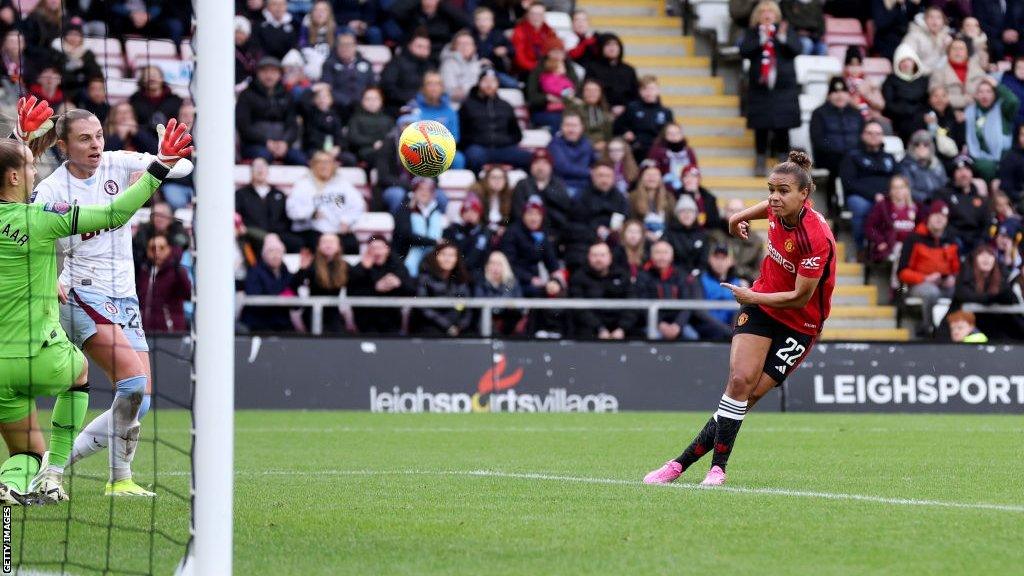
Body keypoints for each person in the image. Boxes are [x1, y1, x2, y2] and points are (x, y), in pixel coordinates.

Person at [0, 110, 189, 505]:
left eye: (99, 135)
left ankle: (114, 478)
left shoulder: (117, 162)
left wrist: (164, 160)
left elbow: (183, 166)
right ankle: (53, 468)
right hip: (81, 294)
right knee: (115, 379)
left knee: (140, 396)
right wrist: (156, 170)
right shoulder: (49, 198)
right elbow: (103, 216)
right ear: (63, 146)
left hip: (122, 295)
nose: (96, 144)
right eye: (84, 138)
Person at [644, 151, 836, 487]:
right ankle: (717, 469)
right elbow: (769, 210)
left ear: (804, 195)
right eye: (771, 189)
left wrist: (751, 296)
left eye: (783, 191)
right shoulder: (779, 209)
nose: (774, 198)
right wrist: (739, 217)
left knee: (740, 402)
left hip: (800, 324)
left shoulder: (815, 237)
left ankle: (678, 463)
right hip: (763, 307)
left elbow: (799, 297)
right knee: (737, 384)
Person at [739, 1, 802, 176]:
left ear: (777, 15)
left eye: (770, 11)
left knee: (783, 125)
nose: (767, 14)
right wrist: (762, 39)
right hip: (760, 88)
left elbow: (797, 48)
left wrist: (782, 38)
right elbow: (744, 51)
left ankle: (784, 161)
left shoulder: (785, 30)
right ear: (757, 16)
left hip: (783, 88)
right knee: (761, 125)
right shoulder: (752, 32)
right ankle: (760, 158)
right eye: (763, 12)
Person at [638, 240, 731, 341]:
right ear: (651, 255)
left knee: (692, 336)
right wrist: (660, 324)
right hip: (654, 323)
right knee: (653, 336)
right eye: (658, 252)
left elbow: (687, 303)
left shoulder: (681, 275)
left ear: (672, 256)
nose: (661, 256)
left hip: (679, 324)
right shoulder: (643, 276)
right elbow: (642, 303)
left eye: (665, 252)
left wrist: (678, 325)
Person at [897, 200, 959, 335]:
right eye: (935, 215)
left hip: (943, 285)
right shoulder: (914, 238)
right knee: (932, 292)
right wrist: (925, 278)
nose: (939, 219)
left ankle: (951, 330)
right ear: (928, 217)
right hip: (917, 285)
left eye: (943, 216)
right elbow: (902, 272)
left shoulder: (951, 240)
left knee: (959, 291)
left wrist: (952, 278)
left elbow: (956, 269)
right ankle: (928, 328)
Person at [286, 151, 365, 253]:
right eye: (320, 162)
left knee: (352, 245)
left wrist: (347, 220)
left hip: (337, 231)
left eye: (327, 162)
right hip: (311, 231)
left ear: (333, 165)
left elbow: (358, 205)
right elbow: (291, 210)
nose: (324, 166)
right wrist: (311, 213)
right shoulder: (303, 186)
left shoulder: (342, 185)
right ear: (313, 165)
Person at [839, 120, 897, 251]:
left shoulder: (890, 158)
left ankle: (891, 246)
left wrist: (888, 196)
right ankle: (861, 249)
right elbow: (849, 183)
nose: (873, 136)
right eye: (869, 133)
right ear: (862, 135)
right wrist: (874, 195)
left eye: (877, 133)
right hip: (861, 197)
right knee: (860, 207)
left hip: (887, 197)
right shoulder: (852, 156)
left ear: (882, 136)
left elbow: (898, 179)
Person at [236, 57, 307, 165]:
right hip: (254, 145)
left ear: (280, 75)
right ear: (257, 73)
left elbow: (292, 125)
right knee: (264, 157)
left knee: (301, 160)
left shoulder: (287, 96)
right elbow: (244, 127)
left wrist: (285, 142)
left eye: (273, 72)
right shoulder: (247, 95)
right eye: (264, 71)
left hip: (282, 145)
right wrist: (266, 142)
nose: (269, 76)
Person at [459, 68, 531, 172]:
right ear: (479, 83)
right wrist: (478, 141)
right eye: (485, 81)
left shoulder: (506, 106)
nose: (489, 85)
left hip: (503, 149)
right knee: (474, 156)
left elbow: (516, 134)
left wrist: (504, 141)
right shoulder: (467, 106)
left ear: (498, 84)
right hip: (480, 148)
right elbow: (462, 134)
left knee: (528, 157)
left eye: (493, 81)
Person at [564, 161, 629, 270]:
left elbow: (625, 219)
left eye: (608, 176)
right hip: (586, 242)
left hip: (613, 242)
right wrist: (595, 231)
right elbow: (572, 226)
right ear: (593, 177)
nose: (604, 180)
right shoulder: (581, 197)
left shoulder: (620, 198)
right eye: (600, 176)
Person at [570, 241, 637, 340]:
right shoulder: (579, 277)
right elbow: (579, 309)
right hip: (589, 329)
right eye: (595, 255)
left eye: (602, 255)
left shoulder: (622, 276)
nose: (598, 259)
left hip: (621, 330)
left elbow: (632, 303)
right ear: (588, 257)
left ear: (610, 257)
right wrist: (599, 328)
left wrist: (622, 328)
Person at [951, 244, 1021, 339]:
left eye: (990, 255)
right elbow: (965, 296)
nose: (986, 258)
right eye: (981, 254)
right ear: (974, 259)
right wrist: (992, 297)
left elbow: (1011, 298)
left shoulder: (1002, 278)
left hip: (998, 327)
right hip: (970, 325)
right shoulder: (965, 277)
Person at [347, 236, 415, 334]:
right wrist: (375, 288)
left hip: (392, 319)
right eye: (373, 249)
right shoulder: (360, 267)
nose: (377, 252)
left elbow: (411, 290)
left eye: (380, 248)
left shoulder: (397, 266)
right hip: (366, 320)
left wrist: (399, 284)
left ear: (387, 249)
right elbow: (352, 294)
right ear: (367, 251)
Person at [236, 157, 302, 253]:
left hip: (277, 235)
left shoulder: (278, 194)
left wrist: (274, 235)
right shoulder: (241, 194)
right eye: (257, 167)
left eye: (263, 167)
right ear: (251, 172)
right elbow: (237, 217)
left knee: (297, 242)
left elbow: (285, 220)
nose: (260, 170)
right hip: (252, 235)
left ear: (268, 170)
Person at [510, 148, 572, 247]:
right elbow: (517, 212)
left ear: (551, 166)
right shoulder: (523, 184)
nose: (540, 167)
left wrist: (546, 192)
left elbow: (565, 209)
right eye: (537, 163)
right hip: (526, 234)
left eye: (544, 163)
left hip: (555, 234)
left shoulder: (559, 185)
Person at [290, 233, 349, 334]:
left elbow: (358, 282)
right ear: (318, 246)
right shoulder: (311, 264)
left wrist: (363, 267)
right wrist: (302, 269)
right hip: (312, 311)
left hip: (333, 313)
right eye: (324, 242)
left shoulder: (344, 266)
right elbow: (293, 285)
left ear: (339, 247)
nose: (328, 245)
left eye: (331, 242)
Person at [965, 77, 1021, 181]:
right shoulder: (969, 112)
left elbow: (1013, 101)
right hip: (980, 157)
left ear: (995, 94)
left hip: (1005, 155)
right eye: (980, 92)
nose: (984, 95)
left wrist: (996, 85)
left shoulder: (1002, 109)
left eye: (989, 91)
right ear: (976, 95)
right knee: (987, 168)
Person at [501, 200, 561, 296]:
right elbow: (508, 264)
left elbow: (552, 262)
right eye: (530, 214)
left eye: (537, 214)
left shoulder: (543, 234)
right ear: (523, 215)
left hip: (535, 280)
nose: (534, 218)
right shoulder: (512, 233)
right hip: (513, 280)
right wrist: (530, 279)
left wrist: (556, 280)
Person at [411, 243, 474, 336]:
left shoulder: (462, 280)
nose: (447, 259)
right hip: (430, 327)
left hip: (458, 328)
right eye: (443, 254)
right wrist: (448, 326)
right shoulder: (424, 279)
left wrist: (460, 326)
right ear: (435, 257)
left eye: (451, 255)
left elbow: (468, 309)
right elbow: (423, 308)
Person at [136, 234, 191, 334]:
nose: (157, 252)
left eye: (161, 248)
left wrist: (178, 269)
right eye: (153, 248)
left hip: (171, 332)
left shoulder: (176, 271)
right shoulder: (144, 271)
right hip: (146, 332)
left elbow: (188, 294)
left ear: (169, 249)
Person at [934, 157, 990, 253]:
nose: (964, 174)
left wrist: (981, 241)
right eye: (959, 170)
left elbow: (986, 223)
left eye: (967, 170)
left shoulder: (979, 199)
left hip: (975, 242)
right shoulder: (943, 194)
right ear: (953, 174)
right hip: (953, 241)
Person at [242, 233, 296, 333]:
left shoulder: (286, 273)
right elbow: (254, 298)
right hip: (258, 324)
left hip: (281, 324)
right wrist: (281, 295)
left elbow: (296, 302)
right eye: (271, 251)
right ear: (264, 254)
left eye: (279, 251)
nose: (275, 255)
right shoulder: (255, 272)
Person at [393, 176, 446, 276]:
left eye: (429, 190)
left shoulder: (436, 214)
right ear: (414, 191)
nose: (424, 193)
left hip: (430, 259)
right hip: (405, 258)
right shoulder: (404, 210)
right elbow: (406, 236)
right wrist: (433, 242)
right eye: (421, 189)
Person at [613, 75, 674, 161]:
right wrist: (626, 132)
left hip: (657, 150)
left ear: (658, 90)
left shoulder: (666, 112)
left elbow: (670, 132)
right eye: (645, 89)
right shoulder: (632, 108)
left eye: (652, 89)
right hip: (636, 149)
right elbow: (618, 127)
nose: (648, 92)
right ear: (640, 91)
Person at [865, 175, 921, 265]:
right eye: (894, 187)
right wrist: (880, 241)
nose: (898, 190)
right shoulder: (882, 206)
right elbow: (869, 227)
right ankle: (897, 279)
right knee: (902, 254)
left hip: (911, 246)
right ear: (890, 190)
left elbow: (920, 229)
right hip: (891, 245)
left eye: (901, 187)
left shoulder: (915, 207)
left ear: (907, 189)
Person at [319, 31, 375, 121]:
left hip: (362, 106)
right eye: (342, 45)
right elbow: (327, 87)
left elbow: (372, 86)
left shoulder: (365, 63)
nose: (346, 48)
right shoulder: (329, 64)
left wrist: (365, 100)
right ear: (337, 47)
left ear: (355, 46)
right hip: (338, 106)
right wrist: (346, 101)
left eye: (349, 45)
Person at [390, 0, 470, 62]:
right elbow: (394, 11)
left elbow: (466, 21)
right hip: (414, 54)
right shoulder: (413, 12)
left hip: (440, 53)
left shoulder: (446, 13)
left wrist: (442, 4)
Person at [525, 46, 579, 133]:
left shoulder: (568, 71)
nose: (558, 56)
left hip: (564, 108)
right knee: (558, 119)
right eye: (555, 52)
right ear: (548, 53)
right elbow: (534, 96)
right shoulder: (541, 74)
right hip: (543, 110)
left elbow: (573, 87)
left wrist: (571, 94)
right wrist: (547, 97)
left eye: (561, 52)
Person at [882, 45, 930, 142]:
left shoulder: (923, 80)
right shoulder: (891, 80)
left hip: (920, 119)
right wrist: (906, 110)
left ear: (915, 62)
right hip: (899, 119)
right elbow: (889, 104)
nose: (906, 64)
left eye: (909, 60)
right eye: (902, 61)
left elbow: (927, 102)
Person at [710, 198, 765, 283]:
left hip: (748, 286)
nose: (736, 215)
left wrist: (746, 281)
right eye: (731, 211)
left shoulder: (756, 241)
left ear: (746, 214)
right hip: (718, 284)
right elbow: (710, 266)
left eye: (739, 211)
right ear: (724, 214)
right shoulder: (715, 237)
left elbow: (760, 272)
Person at [379, 32, 433, 117]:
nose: (423, 50)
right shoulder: (396, 63)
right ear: (410, 46)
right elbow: (387, 86)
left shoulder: (430, 66)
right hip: (398, 107)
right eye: (419, 46)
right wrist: (408, 98)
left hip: (425, 107)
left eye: (427, 47)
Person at [584, 33, 639, 114]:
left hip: (626, 113)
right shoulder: (592, 68)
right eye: (608, 45)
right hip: (599, 112)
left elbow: (635, 95)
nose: (612, 48)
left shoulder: (629, 70)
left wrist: (625, 108)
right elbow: (589, 93)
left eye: (615, 44)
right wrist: (609, 108)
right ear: (601, 47)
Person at [474, 250, 524, 335]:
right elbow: (478, 304)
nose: (495, 267)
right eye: (492, 263)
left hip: (507, 323)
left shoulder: (513, 283)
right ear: (487, 266)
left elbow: (521, 307)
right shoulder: (481, 283)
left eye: (499, 264)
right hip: (487, 323)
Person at [928, 37, 985, 111]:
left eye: (961, 49)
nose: (958, 51)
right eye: (954, 48)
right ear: (948, 53)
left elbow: (986, 93)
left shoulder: (977, 69)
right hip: (949, 113)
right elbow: (937, 98)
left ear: (967, 53)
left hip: (977, 110)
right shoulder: (938, 72)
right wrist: (966, 100)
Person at [300, 84, 353, 163]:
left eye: (325, 97)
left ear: (331, 99)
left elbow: (339, 136)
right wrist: (313, 88)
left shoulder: (335, 115)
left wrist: (337, 148)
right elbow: (302, 100)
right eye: (319, 97)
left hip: (332, 149)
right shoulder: (309, 113)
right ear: (314, 99)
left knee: (350, 159)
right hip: (314, 149)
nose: (322, 100)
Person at [547, 111, 596, 197]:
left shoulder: (587, 143)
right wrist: (589, 172)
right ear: (561, 127)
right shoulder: (554, 144)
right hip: (564, 186)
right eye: (567, 125)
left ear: (582, 128)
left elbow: (595, 161)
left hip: (587, 186)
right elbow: (563, 168)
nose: (571, 129)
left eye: (574, 126)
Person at [129, 66, 184, 140]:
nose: (151, 79)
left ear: (162, 78)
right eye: (147, 76)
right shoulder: (134, 101)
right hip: (141, 144)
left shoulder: (176, 101)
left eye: (154, 75)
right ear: (142, 81)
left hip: (171, 143)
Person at [443, 193, 493, 273]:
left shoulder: (486, 232)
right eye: (466, 211)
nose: (470, 214)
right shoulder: (452, 231)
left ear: (479, 214)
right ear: (462, 214)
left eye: (474, 211)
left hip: (478, 274)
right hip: (456, 272)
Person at [131, 201, 190, 270]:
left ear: (170, 217)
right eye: (155, 215)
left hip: (172, 269)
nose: (158, 219)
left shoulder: (177, 229)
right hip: (147, 269)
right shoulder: (144, 230)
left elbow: (183, 244)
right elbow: (138, 252)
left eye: (162, 215)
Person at [664, 194, 711, 274]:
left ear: (695, 214)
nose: (687, 214)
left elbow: (704, 259)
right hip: (675, 275)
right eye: (682, 211)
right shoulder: (669, 233)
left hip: (698, 275)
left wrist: (698, 271)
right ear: (677, 215)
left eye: (690, 211)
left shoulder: (702, 234)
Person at [347, 87, 394, 166]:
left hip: (385, 149)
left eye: (375, 99)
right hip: (364, 151)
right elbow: (353, 138)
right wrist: (373, 142)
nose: (372, 102)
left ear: (381, 101)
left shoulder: (388, 120)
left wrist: (383, 144)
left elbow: (392, 137)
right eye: (368, 99)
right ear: (362, 101)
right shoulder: (356, 119)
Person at [629, 160, 674, 242]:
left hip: (665, 239)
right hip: (640, 239)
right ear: (641, 178)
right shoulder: (632, 197)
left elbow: (673, 221)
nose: (652, 178)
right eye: (648, 175)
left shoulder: (669, 197)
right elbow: (630, 221)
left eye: (655, 175)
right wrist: (644, 233)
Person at [899, 130, 948, 204]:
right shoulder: (906, 165)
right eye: (917, 144)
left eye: (925, 144)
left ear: (931, 147)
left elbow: (945, 185)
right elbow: (908, 190)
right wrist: (928, 198)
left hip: (940, 202)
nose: (921, 147)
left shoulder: (937, 164)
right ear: (911, 147)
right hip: (919, 204)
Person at [647, 123, 699, 193]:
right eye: (670, 133)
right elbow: (652, 171)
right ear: (664, 135)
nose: (674, 136)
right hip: (663, 190)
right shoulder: (656, 152)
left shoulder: (689, 151)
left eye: (677, 133)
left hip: (687, 188)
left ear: (682, 135)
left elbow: (695, 170)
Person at [511, 1, 560, 75]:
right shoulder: (519, 31)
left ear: (544, 16)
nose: (536, 17)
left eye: (539, 14)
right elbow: (520, 59)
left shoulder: (549, 31)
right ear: (527, 15)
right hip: (526, 70)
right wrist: (538, 68)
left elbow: (555, 51)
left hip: (546, 67)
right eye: (533, 14)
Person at [471, 6, 516, 86]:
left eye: (486, 20)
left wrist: (505, 50)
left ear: (492, 22)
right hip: (475, 70)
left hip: (496, 71)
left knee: (513, 84)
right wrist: (478, 62)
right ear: (475, 22)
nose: (482, 23)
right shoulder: (470, 36)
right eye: (479, 20)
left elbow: (512, 50)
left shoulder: (498, 35)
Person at [700, 244, 745, 326]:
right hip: (707, 329)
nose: (719, 262)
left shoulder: (739, 284)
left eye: (724, 258)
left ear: (732, 261)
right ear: (709, 259)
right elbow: (701, 313)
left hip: (731, 329)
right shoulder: (701, 280)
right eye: (716, 257)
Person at [924, 84, 966, 170]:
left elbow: (961, 143)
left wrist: (961, 124)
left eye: (943, 96)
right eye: (935, 96)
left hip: (954, 157)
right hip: (934, 159)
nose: (940, 100)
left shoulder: (955, 116)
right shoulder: (924, 117)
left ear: (948, 99)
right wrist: (928, 125)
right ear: (929, 99)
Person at [900, 6, 952, 74]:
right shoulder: (913, 36)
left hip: (938, 78)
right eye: (931, 17)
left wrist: (948, 48)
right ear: (924, 20)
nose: (935, 20)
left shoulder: (946, 38)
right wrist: (931, 72)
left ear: (943, 21)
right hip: (917, 76)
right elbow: (906, 60)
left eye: (938, 17)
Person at [565, 78, 613, 147]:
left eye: (595, 90)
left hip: (602, 148)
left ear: (600, 93)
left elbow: (608, 136)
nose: (592, 93)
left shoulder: (605, 112)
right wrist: (572, 97)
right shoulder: (575, 108)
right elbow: (563, 93)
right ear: (583, 92)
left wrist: (605, 144)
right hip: (580, 147)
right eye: (588, 90)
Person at [440, 30, 484, 103]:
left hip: (476, 104)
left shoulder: (478, 64)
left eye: (468, 44)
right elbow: (451, 92)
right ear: (454, 47)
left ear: (474, 47)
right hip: (455, 106)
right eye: (461, 44)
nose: (464, 47)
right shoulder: (448, 64)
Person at [678, 165, 723, 231]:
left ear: (699, 179)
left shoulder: (709, 198)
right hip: (682, 234)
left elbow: (715, 222)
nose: (689, 179)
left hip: (706, 234)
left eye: (693, 176)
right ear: (681, 179)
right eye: (686, 176)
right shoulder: (675, 196)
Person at [998, 125, 1024, 207]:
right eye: (1022, 135)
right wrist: (1020, 195)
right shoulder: (1010, 159)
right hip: (1018, 202)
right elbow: (1006, 189)